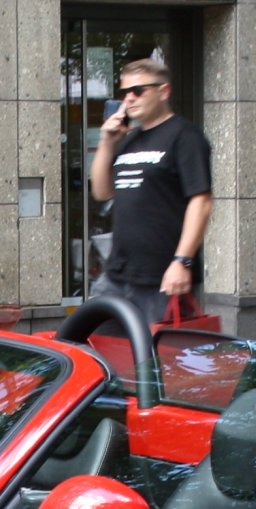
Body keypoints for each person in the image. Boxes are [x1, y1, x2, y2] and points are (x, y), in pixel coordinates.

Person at [89, 57, 212, 323]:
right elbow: (101, 192)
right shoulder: (129, 139)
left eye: (138, 91)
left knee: (157, 359)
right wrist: (106, 143)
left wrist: (182, 262)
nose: (129, 99)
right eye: (124, 93)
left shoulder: (185, 136)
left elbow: (201, 202)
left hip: (162, 278)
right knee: (97, 350)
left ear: (163, 91)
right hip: (117, 273)